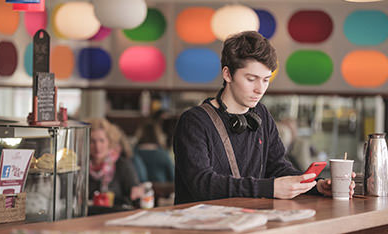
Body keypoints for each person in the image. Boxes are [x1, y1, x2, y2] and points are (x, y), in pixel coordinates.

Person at [173, 31, 355, 204]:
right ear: (227, 74)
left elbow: (278, 168)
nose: (260, 89)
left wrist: (316, 185)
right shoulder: (194, 121)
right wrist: (270, 188)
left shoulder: (261, 114)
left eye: (266, 80)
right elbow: (201, 184)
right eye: (251, 79)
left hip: (248, 222)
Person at [85, 118, 144, 207]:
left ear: (109, 142)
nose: (97, 146)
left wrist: (139, 192)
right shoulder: (81, 166)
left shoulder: (123, 165)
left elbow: (136, 198)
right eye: (92, 141)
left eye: (102, 140)